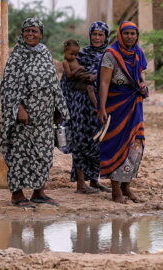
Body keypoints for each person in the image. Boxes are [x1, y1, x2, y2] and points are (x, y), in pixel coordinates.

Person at [0, 18, 69, 208]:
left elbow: (53, 83)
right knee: (20, 155)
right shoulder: (17, 56)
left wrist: (58, 108)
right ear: (22, 33)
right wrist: (19, 109)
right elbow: (9, 86)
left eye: (34, 31)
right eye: (27, 31)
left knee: (44, 155)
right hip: (24, 119)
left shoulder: (44, 52)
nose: (30, 34)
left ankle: (39, 192)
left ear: (41, 34)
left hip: (45, 117)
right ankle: (17, 194)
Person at [97, 22, 149, 204]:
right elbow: (103, 83)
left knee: (135, 145)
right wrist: (101, 108)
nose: (130, 37)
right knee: (117, 145)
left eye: (133, 34)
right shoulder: (111, 55)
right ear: (120, 35)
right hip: (116, 104)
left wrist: (143, 85)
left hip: (134, 104)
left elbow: (140, 75)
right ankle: (115, 190)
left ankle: (127, 186)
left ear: (137, 35)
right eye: (126, 33)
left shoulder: (138, 53)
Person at [61, 22, 112, 195]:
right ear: (89, 36)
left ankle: (94, 181)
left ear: (106, 37)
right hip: (80, 105)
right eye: (94, 34)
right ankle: (81, 184)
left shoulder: (110, 56)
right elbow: (67, 80)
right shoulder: (80, 54)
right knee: (81, 142)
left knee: (98, 142)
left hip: (101, 106)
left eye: (100, 35)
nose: (97, 38)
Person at [61, 40, 97, 106]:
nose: (74, 56)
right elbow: (69, 75)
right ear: (65, 51)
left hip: (81, 78)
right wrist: (78, 68)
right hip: (75, 82)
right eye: (72, 54)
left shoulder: (74, 59)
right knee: (89, 84)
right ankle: (91, 77)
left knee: (90, 88)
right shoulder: (65, 62)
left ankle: (96, 106)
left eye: (76, 54)